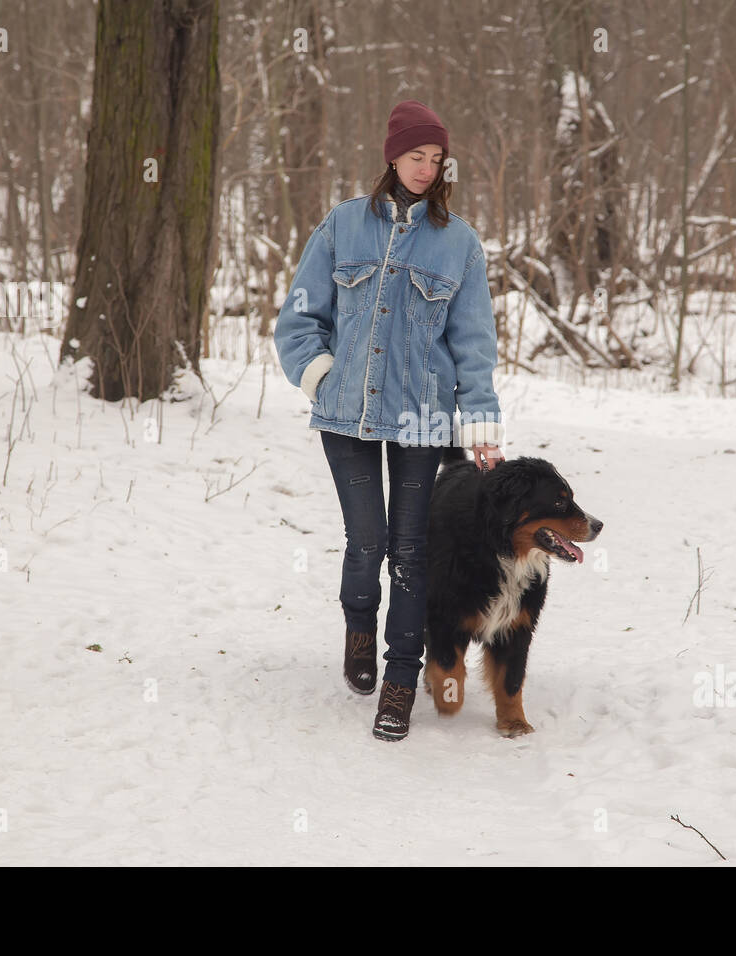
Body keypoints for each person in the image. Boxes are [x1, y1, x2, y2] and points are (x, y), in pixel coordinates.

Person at [274, 100, 506, 741]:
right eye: (415, 157)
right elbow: (299, 315)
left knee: (410, 550)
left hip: (423, 419)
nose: (426, 169)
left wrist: (480, 423)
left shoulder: (458, 242)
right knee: (367, 541)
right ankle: (358, 624)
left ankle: (400, 680)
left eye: (436, 159)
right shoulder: (344, 225)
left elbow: (473, 342)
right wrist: (319, 375)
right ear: (391, 157)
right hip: (345, 413)